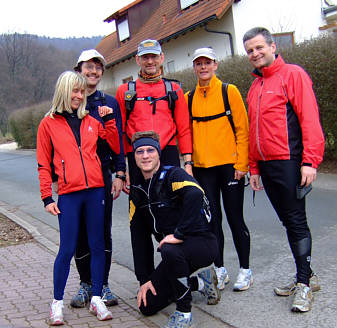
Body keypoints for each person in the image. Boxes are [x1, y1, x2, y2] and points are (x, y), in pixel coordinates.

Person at [243, 27, 325, 312]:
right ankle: (307, 275)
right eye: (250, 50)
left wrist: (310, 161)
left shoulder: (293, 74)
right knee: (288, 222)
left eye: (258, 47)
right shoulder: (255, 86)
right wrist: (253, 167)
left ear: (272, 46)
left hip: (290, 162)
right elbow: (253, 131)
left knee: (296, 221)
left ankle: (304, 285)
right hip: (265, 166)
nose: (255, 53)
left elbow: (310, 120)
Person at [37, 71, 120, 325]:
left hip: (96, 190)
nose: (79, 96)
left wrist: (109, 122)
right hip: (69, 195)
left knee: (97, 245)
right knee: (67, 248)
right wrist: (46, 198)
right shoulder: (47, 124)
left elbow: (114, 146)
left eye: (82, 92)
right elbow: (42, 164)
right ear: (63, 91)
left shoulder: (92, 119)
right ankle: (57, 303)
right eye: (74, 91)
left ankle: (96, 298)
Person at [129, 130, 220, 328]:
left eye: (150, 150)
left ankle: (184, 313)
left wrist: (180, 234)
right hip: (174, 253)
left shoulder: (173, 174)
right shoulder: (137, 191)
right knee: (147, 304)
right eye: (140, 151)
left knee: (169, 249)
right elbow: (138, 237)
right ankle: (201, 283)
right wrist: (144, 279)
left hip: (201, 244)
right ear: (134, 156)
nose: (145, 156)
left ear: (158, 154)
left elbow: (196, 194)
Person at [185, 47, 252, 292]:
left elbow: (242, 129)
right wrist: (188, 163)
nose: (203, 67)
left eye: (207, 62)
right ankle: (220, 269)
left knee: (236, 219)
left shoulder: (229, 91)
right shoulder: (188, 98)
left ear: (216, 65)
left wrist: (242, 164)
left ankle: (245, 270)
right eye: (198, 63)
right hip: (204, 169)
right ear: (194, 67)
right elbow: (186, 135)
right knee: (212, 223)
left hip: (229, 167)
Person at [67, 49, 126, 308]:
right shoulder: (69, 101)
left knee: (102, 231)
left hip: (102, 176)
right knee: (79, 232)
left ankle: (102, 284)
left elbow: (119, 143)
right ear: (79, 70)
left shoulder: (109, 102)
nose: (93, 72)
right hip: (75, 179)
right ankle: (85, 284)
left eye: (97, 67)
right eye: (88, 67)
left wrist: (120, 174)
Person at [115, 39, 192, 189]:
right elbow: (121, 132)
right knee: (141, 206)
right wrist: (124, 170)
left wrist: (188, 164)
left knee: (171, 205)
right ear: (138, 60)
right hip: (137, 155)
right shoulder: (125, 91)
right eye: (145, 57)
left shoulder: (174, 89)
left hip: (167, 153)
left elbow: (183, 130)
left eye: (154, 57)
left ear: (161, 58)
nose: (150, 61)